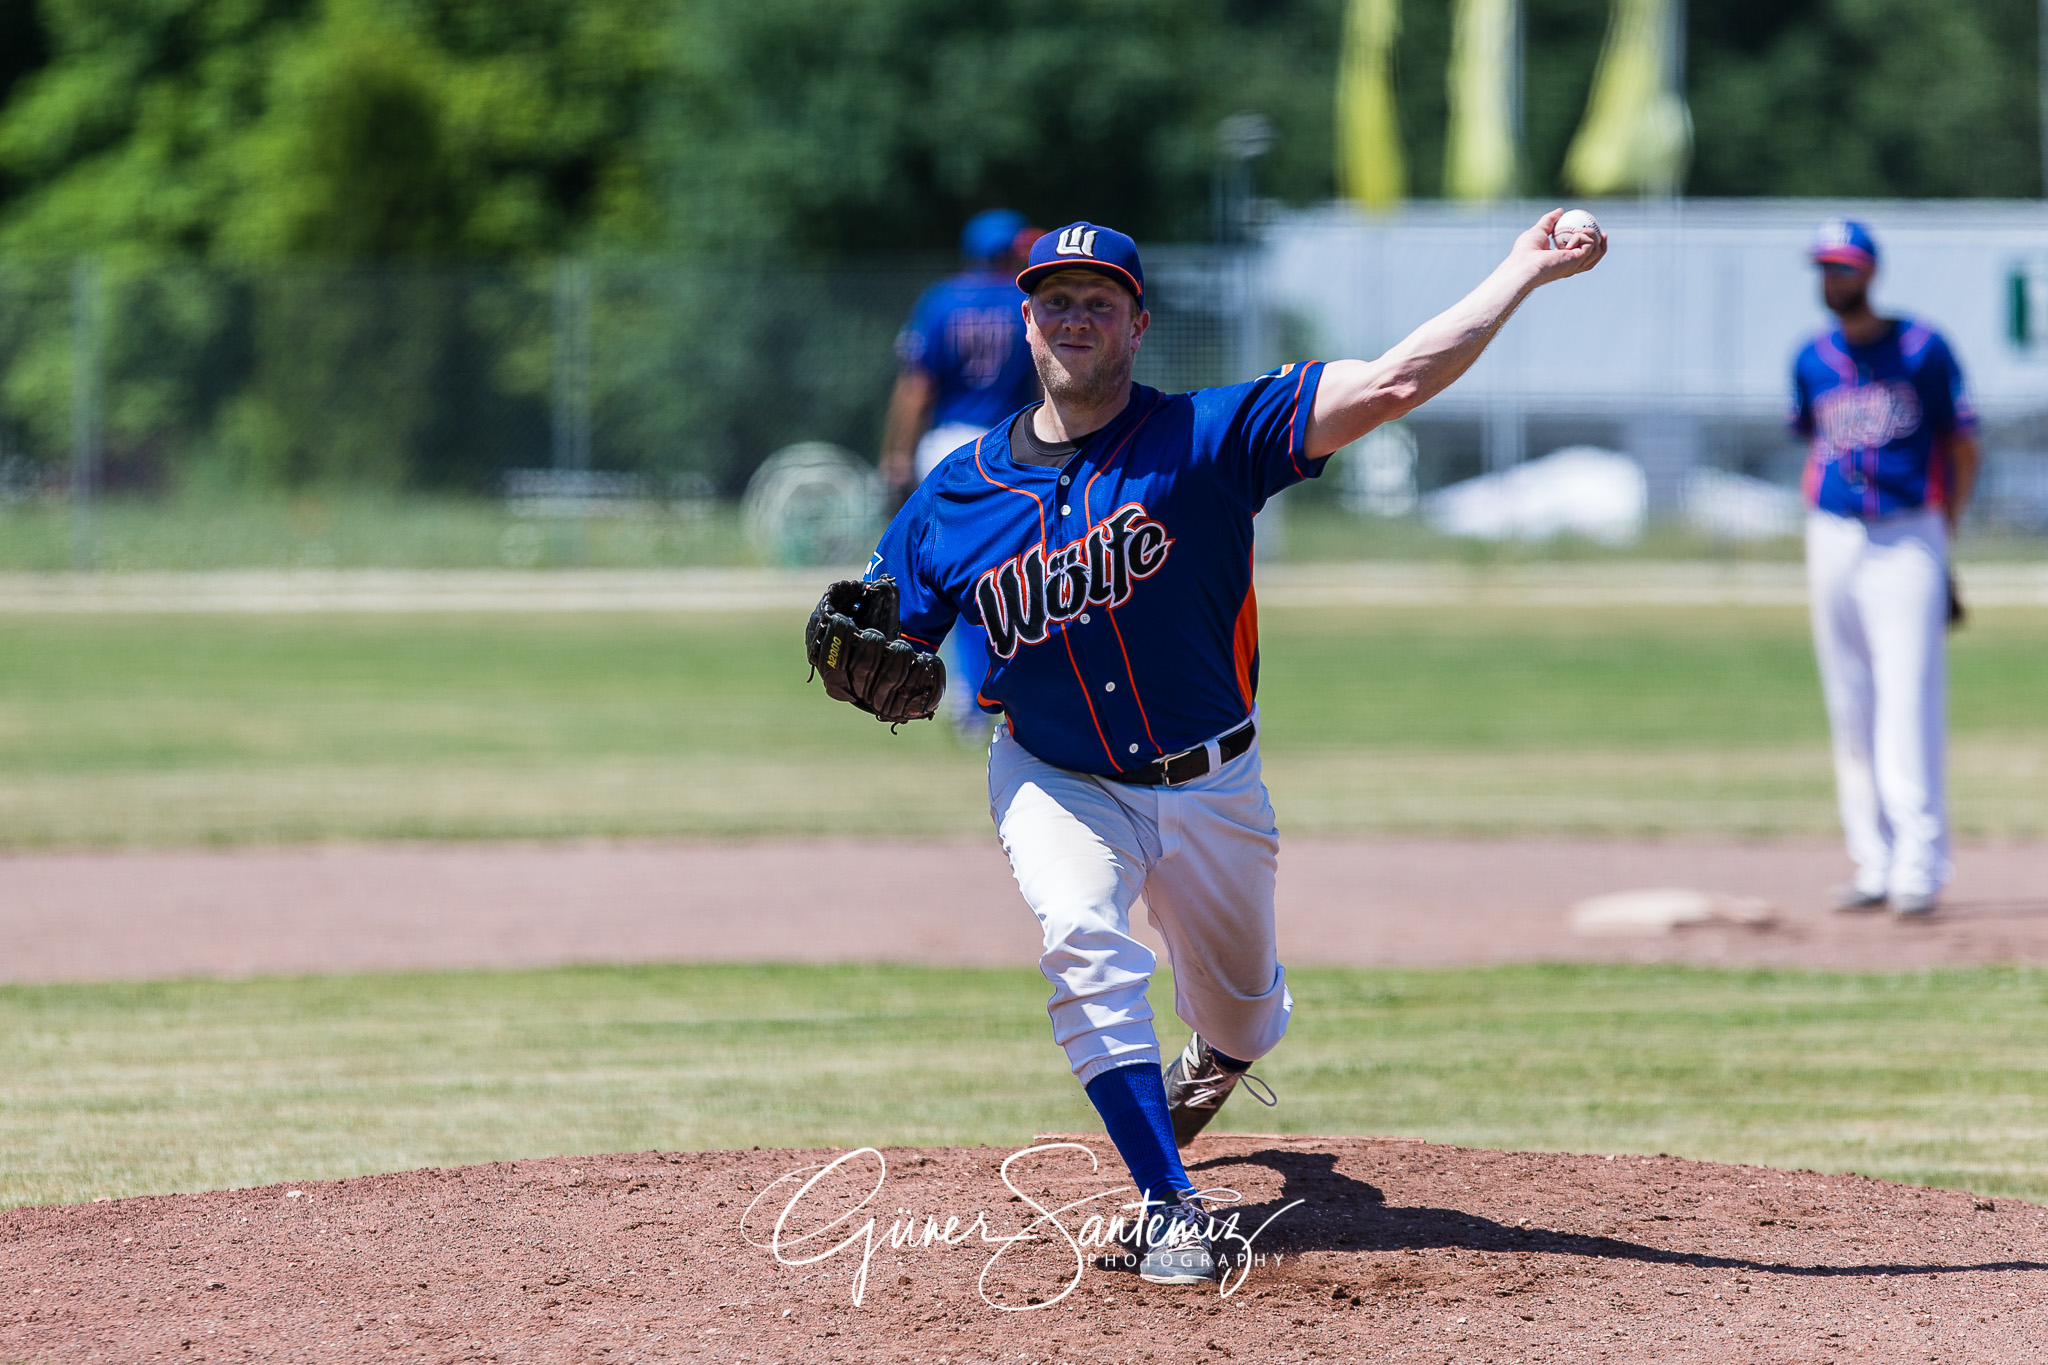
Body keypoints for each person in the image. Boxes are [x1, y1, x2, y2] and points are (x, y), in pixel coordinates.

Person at [822, 212, 1605, 1284]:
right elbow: (878, 628)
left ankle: (1213, 1064)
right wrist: (850, 650)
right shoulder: (949, 503)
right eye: (1055, 299)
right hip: (1053, 776)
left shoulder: (1208, 435)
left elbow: (1390, 384)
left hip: (1213, 782)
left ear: (1138, 325)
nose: (1074, 316)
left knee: (1242, 1017)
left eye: (1099, 299)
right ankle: (1170, 1205)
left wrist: (1518, 270)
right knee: (1084, 952)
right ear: (1024, 322)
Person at [1790, 218, 1980, 918]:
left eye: (1844, 267)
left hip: (1909, 531)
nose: (1833, 279)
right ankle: (1872, 858)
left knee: (1907, 698)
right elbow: (1813, 444)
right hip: (1832, 532)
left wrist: (1942, 533)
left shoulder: (1922, 348)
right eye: (1825, 268)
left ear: (1871, 271)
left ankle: (1919, 865)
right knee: (1850, 701)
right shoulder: (1810, 357)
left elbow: (1963, 445)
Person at [880, 209, 1045, 739]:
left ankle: (965, 698)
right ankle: (986, 694)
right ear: (1004, 252)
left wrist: (896, 456)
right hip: (1009, 447)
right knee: (1009, 581)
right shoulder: (1028, 306)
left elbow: (916, 387)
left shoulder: (941, 300)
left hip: (947, 450)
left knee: (954, 581)